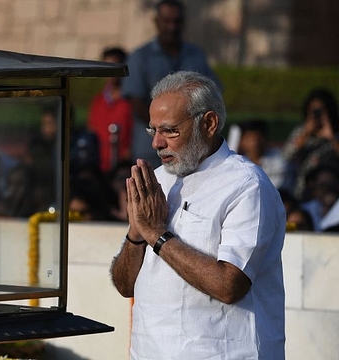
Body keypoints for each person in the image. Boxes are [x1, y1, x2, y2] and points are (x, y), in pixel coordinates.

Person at [110, 71, 286, 359]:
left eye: (169, 130)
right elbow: (124, 285)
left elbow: (230, 286)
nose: (157, 143)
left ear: (209, 123)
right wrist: (136, 233)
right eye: (153, 130)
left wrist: (157, 234)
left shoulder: (246, 185)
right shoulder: (157, 181)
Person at [121, 0, 221, 168]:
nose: (172, 27)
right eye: (166, 21)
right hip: (150, 148)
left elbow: (213, 93)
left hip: (190, 147)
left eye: (177, 21)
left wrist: (186, 130)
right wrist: (168, 129)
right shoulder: (140, 57)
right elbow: (135, 103)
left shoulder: (196, 54)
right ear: (156, 21)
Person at [281, 88, 339, 200]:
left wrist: (331, 137)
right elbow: (286, 156)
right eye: (313, 111)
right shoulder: (301, 132)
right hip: (303, 191)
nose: (317, 115)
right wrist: (306, 134)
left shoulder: (335, 134)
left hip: (333, 191)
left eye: (321, 111)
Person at [87, 46, 133, 174]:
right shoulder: (98, 102)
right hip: (101, 165)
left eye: (114, 66)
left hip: (125, 165)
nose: (110, 72)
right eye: (106, 66)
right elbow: (92, 130)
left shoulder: (131, 100)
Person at [237, 119, 288, 190]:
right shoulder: (238, 163)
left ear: (266, 139)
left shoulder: (280, 160)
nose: (255, 143)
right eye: (249, 138)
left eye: (258, 138)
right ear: (242, 142)